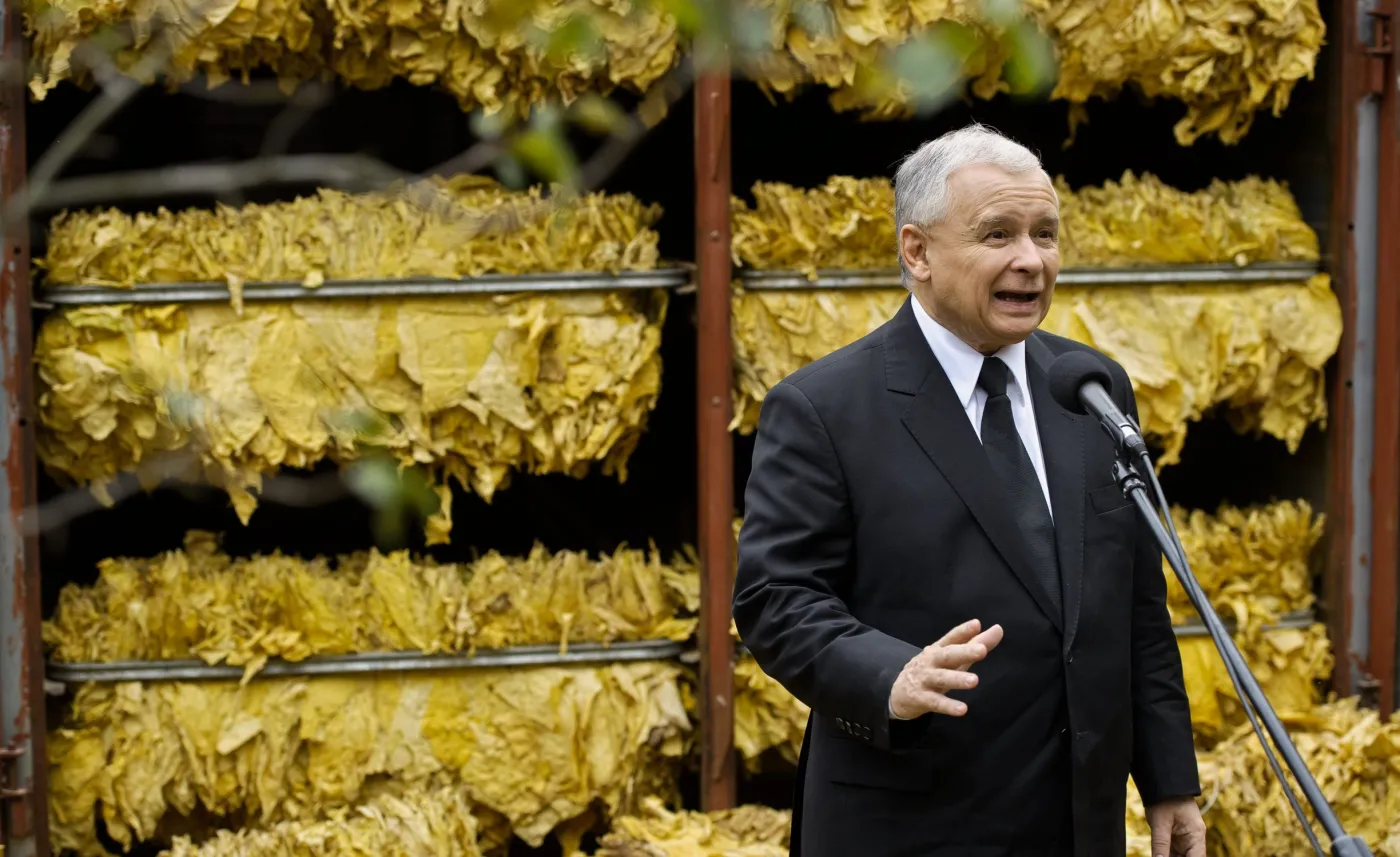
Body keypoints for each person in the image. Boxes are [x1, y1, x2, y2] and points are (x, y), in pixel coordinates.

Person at [732, 124, 1206, 857]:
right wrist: (889, 672)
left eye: (1045, 234)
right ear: (917, 251)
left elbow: (1135, 603)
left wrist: (1170, 777)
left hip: (1077, 823)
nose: (1031, 259)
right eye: (998, 234)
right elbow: (776, 598)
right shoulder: (824, 407)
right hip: (909, 824)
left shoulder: (1091, 386)